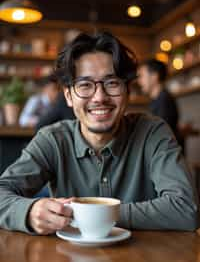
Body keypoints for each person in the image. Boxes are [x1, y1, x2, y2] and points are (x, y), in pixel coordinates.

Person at [0, 32, 198, 235]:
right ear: (68, 96)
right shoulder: (52, 140)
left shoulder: (152, 132)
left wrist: (92, 215)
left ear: (127, 91)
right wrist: (29, 211)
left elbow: (186, 208)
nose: (99, 97)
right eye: (85, 85)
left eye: (112, 83)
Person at [137, 59, 181, 144]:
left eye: (141, 76)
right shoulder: (158, 99)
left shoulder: (164, 100)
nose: (139, 81)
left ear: (154, 76)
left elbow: (160, 133)